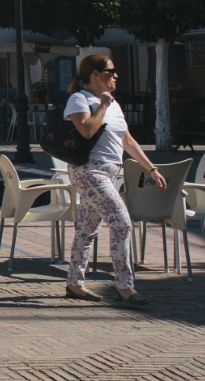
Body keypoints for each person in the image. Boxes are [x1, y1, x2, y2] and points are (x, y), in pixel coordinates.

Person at [63, 53, 165, 306]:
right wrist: (103, 106)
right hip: (88, 171)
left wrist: (151, 169)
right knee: (122, 223)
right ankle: (124, 285)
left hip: (109, 173)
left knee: (86, 230)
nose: (116, 75)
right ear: (96, 75)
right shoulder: (79, 99)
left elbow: (127, 141)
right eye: (111, 71)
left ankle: (74, 283)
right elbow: (86, 130)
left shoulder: (114, 104)